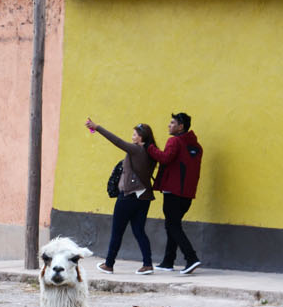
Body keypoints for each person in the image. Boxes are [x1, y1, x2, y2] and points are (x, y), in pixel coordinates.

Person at [85, 119, 157, 275]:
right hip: (144, 197)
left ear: (141, 137)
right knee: (139, 231)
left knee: (117, 232)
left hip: (128, 197)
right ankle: (147, 264)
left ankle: (109, 264)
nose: (132, 136)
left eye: (135, 134)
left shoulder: (136, 150)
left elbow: (116, 141)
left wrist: (97, 127)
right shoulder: (151, 152)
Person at [148, 112, 203, 274]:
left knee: (172, 225)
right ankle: (168, 261)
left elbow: (165, 158)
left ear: (181, 126)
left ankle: (191, 258)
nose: (169, 125)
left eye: (172, 123)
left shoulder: (175, 141)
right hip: (187, 194)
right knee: (173, 225)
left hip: (173, 191)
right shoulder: (196, 146)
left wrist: (149, 147)